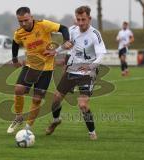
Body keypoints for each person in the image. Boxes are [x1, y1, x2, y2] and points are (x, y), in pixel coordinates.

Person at [44, 6, 107, 140]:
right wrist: (56, 51)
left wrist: (91, 66)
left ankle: (92, 132)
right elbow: (67, 45)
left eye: (83, 19)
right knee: (55, 99)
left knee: (83, 104)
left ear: (89, 18)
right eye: (78, 19)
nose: (81, 22)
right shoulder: (72, 30)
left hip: (87, 72)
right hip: (72, 70)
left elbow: (101, 53)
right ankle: (56, 120)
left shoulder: (95, 34)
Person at [7, 6, 70, 134]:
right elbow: (15, 43)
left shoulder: (43, 25)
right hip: (31, 66)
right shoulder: (19, 32)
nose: (23, 23)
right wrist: (14, 59)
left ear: (31, 17)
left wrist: (67, 40)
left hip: (46, 68)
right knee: (18, 89)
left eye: (26, 20)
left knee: (36, 99)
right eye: (20, 21)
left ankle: (27, 129)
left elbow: (63, 28)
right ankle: (18, 117)